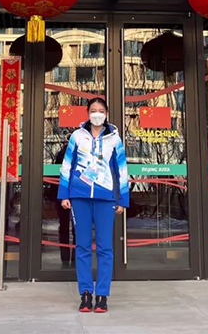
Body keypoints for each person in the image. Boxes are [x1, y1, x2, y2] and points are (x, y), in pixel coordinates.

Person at [57, 97, 128, 313]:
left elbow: (122, 170)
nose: (97, 114)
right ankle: (86, 294)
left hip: (106, 198)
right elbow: (66, 166)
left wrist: (122, 199)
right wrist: (64, 194)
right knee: (83, 247)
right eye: (93, 110)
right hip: (79, 197)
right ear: (88, 113)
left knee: (105, 248)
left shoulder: (114, 139)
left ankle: (103, 295)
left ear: (106, 114)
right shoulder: (77, 136)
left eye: (101, 110)